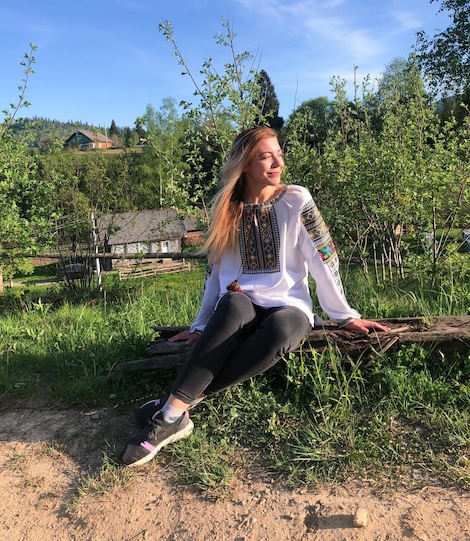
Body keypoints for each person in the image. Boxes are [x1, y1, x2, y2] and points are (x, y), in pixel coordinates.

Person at [120, 127, 389, 467]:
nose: (278, 162)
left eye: (278, 153)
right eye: (266, 156)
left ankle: (171, 411)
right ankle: (174, 415)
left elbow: (324, 257)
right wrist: (201, 324)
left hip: (290, 305)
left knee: (283, 329)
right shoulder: (226, 208)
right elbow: (215, 274)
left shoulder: (296, 199)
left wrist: (344, 314)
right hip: (243, 303)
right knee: (231, 302)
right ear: (245, 164)